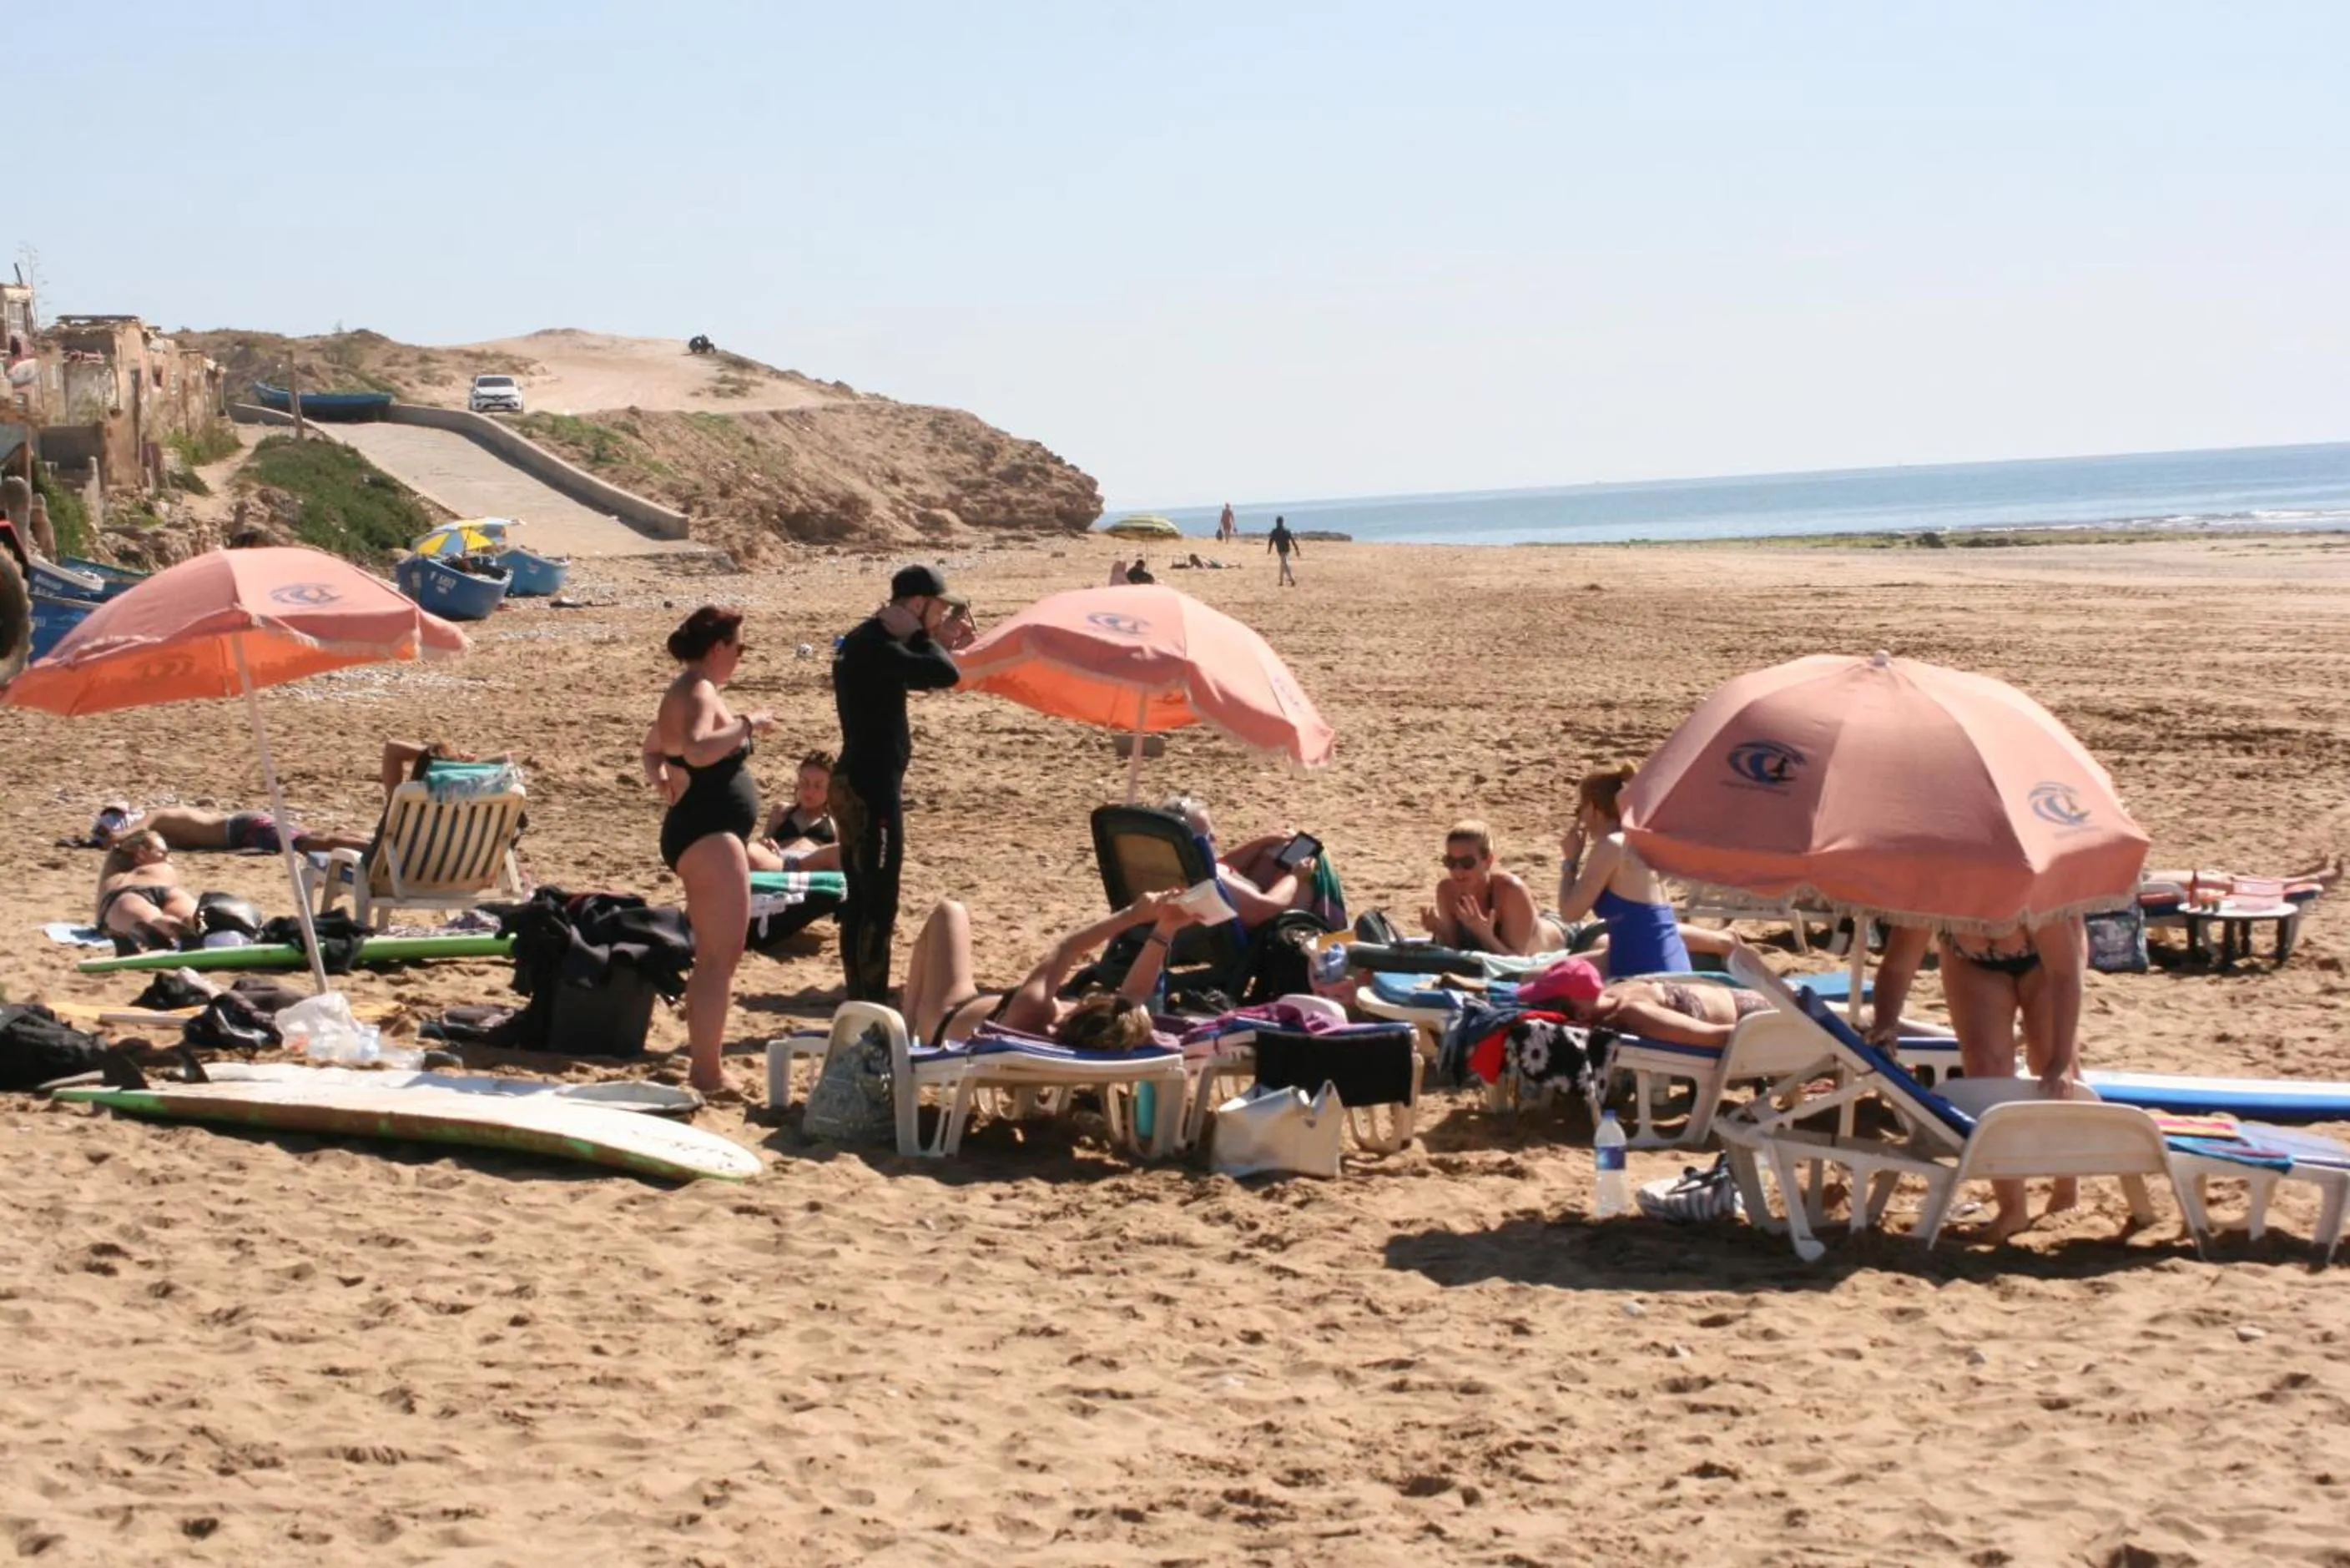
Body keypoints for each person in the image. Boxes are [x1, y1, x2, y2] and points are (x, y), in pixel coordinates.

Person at [1868, 919, 2088, 1242]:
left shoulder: (2030, 885)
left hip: (2049, 955)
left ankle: (2067, 1187)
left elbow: (2065, 974)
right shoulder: (1936, 891)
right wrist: (1885, 1026)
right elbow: (1898, 966)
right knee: (1986, 1070)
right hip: (1970, 959)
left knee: (2049, 1061)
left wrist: (2060, 1061)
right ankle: (2012, 1208)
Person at [642, 605, 773, 1094]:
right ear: (719, 648)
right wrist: (748, 724)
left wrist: (657, 772)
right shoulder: (697, 689)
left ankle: (705, 1064)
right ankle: (708, 1072)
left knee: (717, 957)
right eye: (741, 647)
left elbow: (656, 745)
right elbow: (697, 748)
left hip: (703, 829)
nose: (742, 656)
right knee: (719, 958)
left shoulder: (691, 689)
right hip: (708, 833)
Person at [831, 565, 973, 1001]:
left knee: (860, 898)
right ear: (916, 604)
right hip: (871, 789)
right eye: (937, 609)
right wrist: (921, 638)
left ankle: (860, 992)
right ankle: (868, 998)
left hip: (858, 780)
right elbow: (947, 676)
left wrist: (930, 639)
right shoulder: (875, 645)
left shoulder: (870, 642)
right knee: (876, 899)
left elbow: (923, 674)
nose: (940, 617)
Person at [900, 889, 1207, 1050]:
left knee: (949, 912)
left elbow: (1067, 948)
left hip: (946, 1018)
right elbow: (1135, 994)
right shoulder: (1107, 1037)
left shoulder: (1036, 1010)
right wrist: (1165, 929)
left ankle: (905, 1029)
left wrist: (1134, 914)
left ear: (1086, 1006)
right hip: (981, 1030)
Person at [1555, 763, 1733, 978]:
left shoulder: (1611, 846)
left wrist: (1570, 862)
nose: (1580, 818)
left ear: (1593, 808)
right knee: (1556, 970)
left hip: (1643, 972)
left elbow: (1569, 913)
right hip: (1667, 961)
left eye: (1579, 810)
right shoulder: (1640, 842)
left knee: (1535, 980)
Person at [1525, 955, 1771, 1049]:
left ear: (1578, 1014)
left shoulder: (1635, 1012)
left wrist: (1791, 1038)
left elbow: (1722, 1036)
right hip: (1751, 1001)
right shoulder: (1616, 988)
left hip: (1766, 1018)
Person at [1162, 795, 1319, 928]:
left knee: (1274, 850)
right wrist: (1295, 876)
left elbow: (1222, 865)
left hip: (1230, 913)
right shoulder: (1207, 878)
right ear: (1190, 845)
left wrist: (1262, 842)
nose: (1215, 839)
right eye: (1208, 837)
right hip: (1260, 932)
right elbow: (1265, 910)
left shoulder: (1165, 865)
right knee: (1317, 869)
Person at [1420, 819, 1567, 955]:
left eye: (1467, 863)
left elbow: (1517, 963)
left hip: (1568, 939)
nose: (1458, 871)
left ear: (1488, 861)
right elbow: (1456, 950)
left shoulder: (1510, 890)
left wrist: (1484, 935)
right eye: (1451, 862)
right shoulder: (1447, 890)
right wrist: (1441, 933)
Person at [94, 829, 201, 950]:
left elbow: (115, 851)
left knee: (150, 923)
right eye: (163, 854)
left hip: (128, 897)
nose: (169, 860)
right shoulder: (160, 868)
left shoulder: (114, 875)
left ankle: (164, 927)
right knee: (197, 920)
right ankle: (193, 927)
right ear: (141, 853)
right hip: (168, 892)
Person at [756, 749, 841, 873]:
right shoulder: (781, 811)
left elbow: (841, 857)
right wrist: (765, 844)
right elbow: (763, 845)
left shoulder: (835, 821)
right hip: (780, 863)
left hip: (813, 869)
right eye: (804, 782)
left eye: (818, 786)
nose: (809, 791)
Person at [1268, 515, 1299, 586]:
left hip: (1283, 550)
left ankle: (1291, 579)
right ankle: (1281, 581)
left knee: (1284, 564)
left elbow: (1271, 541)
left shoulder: (1276, 531)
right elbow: (1293, 540)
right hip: (1284, 550)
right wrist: (1297, 549)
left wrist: (1269, 549)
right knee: (1283, 564)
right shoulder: (1284, 531)